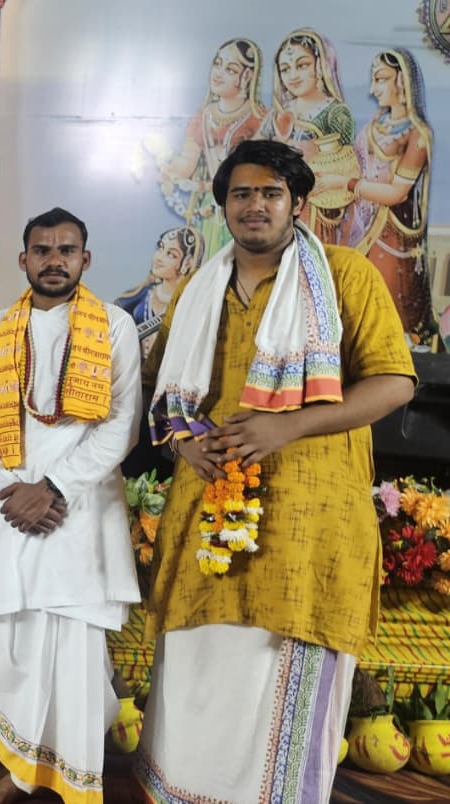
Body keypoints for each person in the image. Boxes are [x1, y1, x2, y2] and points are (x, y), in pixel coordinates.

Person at [135, 139, 416, 802]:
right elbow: (168, 397)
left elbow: (395, 382)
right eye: (241, 193)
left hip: (306, 530)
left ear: (298, 203)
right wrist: (184, 446)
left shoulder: (344, 276)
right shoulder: (197, 291)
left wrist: (286, 425)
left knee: (283, 681)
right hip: (207, 520)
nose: (255, 205)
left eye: (270, 193)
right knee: (198, 679)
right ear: (223, 207)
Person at [0, 208, 141, 804]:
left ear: (85, 259)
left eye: (67, 250)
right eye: (43, 250)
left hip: (78, 512)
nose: (55, 260)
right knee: (15, 650)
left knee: (75, 657)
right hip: (11, 510)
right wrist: (9, 489)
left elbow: (122, 426)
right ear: (24, 259)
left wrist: (55, 488)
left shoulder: (114, 326)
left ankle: (77, 784)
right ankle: (19, 775)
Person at [320, 48, 438, 342]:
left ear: (403, 81)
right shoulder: (377, 123)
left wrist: (346, 183)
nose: (373, 89)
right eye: (374, 80)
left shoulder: (417, 134)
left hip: (390, 233)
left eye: (381, 79)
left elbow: (397, 192)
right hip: (357, 225)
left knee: (385, 316)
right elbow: (358, 164)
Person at [157, 38, 265, 256]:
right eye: (217, 64)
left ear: (247, 76)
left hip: (248, 206)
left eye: (230, 69)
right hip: (211, 208)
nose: (218, 73)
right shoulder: (202, 118)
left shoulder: (259, 118)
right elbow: (187, 163)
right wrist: (170, 167)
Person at [257, 29, 355, 244]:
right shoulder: (278, 113)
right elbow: (253, 152)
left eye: (302, 65)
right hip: (278, 205)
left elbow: (345, 166)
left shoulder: (335, 113)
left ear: (320, 66)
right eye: (285, 69)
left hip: (318, 209)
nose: (293, 75)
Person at [114, 225, 205, 359]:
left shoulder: (191, 308)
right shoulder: (139, 297)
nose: (158, 258)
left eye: (170, 254)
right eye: (160, 248)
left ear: (187, 263)